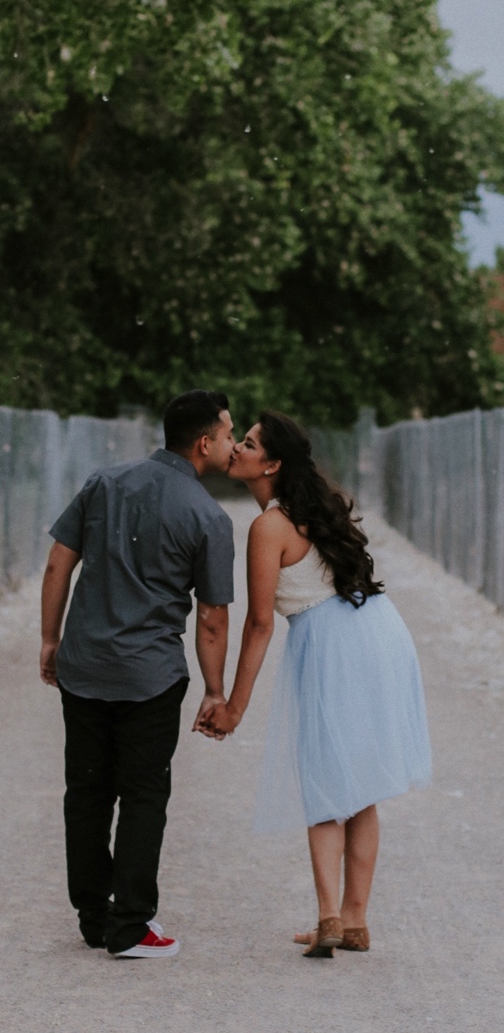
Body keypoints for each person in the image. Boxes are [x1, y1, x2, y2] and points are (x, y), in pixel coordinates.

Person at [197, 411, 431, 957]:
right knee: (361, 784)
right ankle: (354, 921)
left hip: (334, 643)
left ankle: (329, 916)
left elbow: (259, 624)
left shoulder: (267, 527)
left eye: (248, 444)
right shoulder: (315, 510)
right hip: (375, 629)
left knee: (326, 778)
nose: (237, 450)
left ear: (271, 464)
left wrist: (234, 706)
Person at [40, 390, 236, 958]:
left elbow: (59, 563)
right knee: (144, 794)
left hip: (85, 665)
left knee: (87, 790)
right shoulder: (207, 516)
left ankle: (92, 915)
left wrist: (51, 640)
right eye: (227, 435)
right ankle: (130, 926)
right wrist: (215, 689)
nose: (230, 443)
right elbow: (213, 618)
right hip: (150, 676)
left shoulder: (104, 482)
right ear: (204, 443)